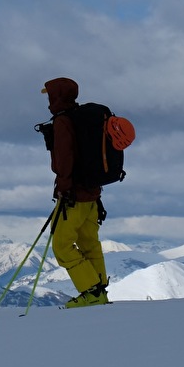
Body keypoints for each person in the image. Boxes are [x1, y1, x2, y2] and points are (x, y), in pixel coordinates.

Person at [42, 77, 109, 308]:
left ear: (56, 97)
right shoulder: (85, 119)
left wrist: (63, 188)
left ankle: (91, 292)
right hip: (93, 194)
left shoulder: (63, 122)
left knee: (62, 245)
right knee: (89, 241)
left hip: (74, 195)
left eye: (50, 96)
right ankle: (100, 292)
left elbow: (64, 160)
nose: (48, 101)